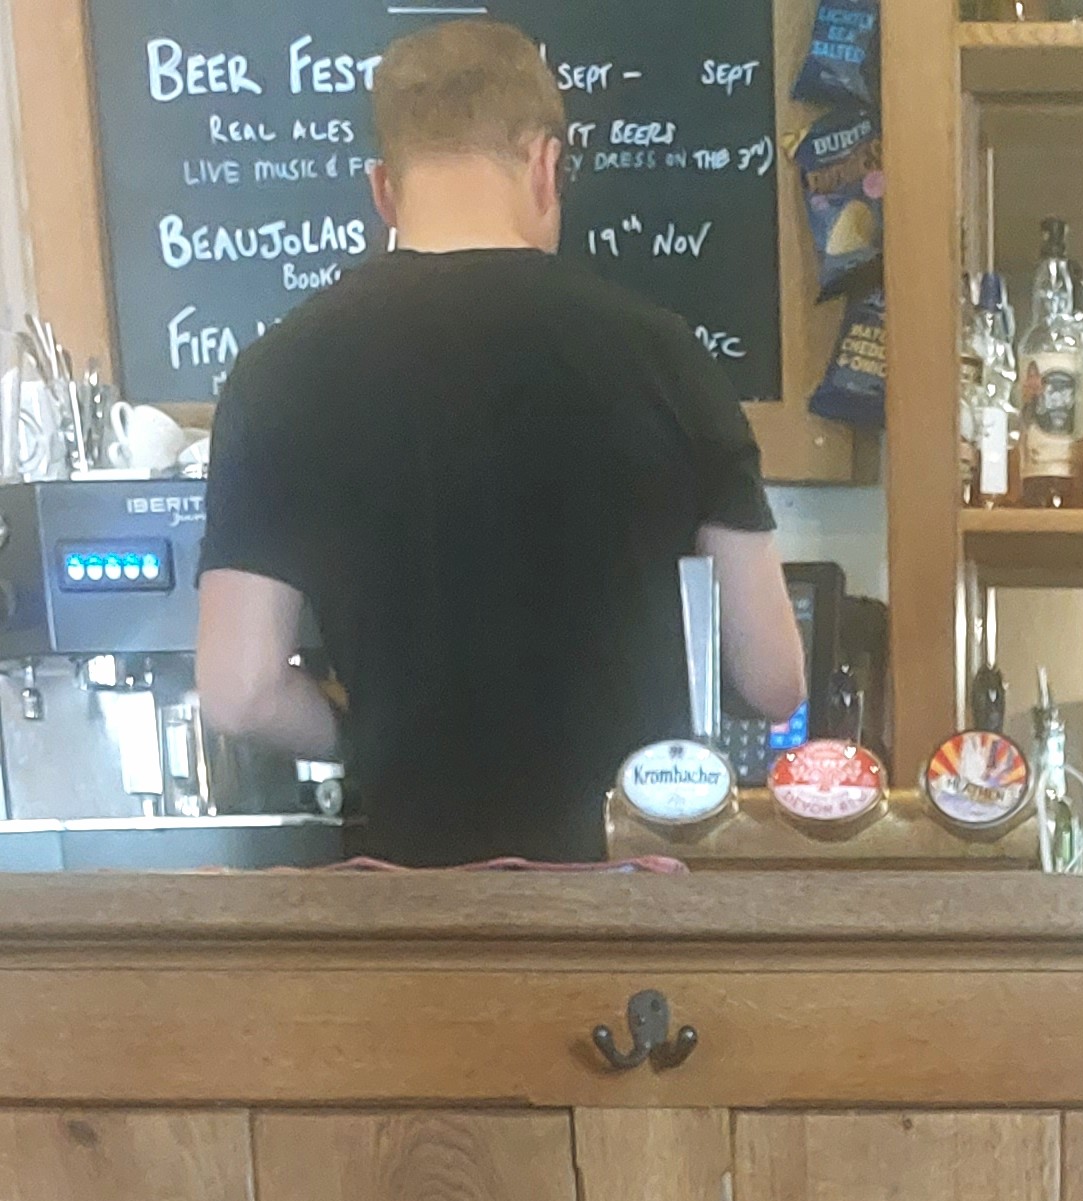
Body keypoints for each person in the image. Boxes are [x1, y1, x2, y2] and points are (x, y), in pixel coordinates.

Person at [196, 18, 805, 863]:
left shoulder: (276, 374)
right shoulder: (666, 356)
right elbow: (773, 680)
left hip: (414, 898)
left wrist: (365, 733)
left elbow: (240, 692)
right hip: (622, 892)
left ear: (383, 190)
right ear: (547, 167)